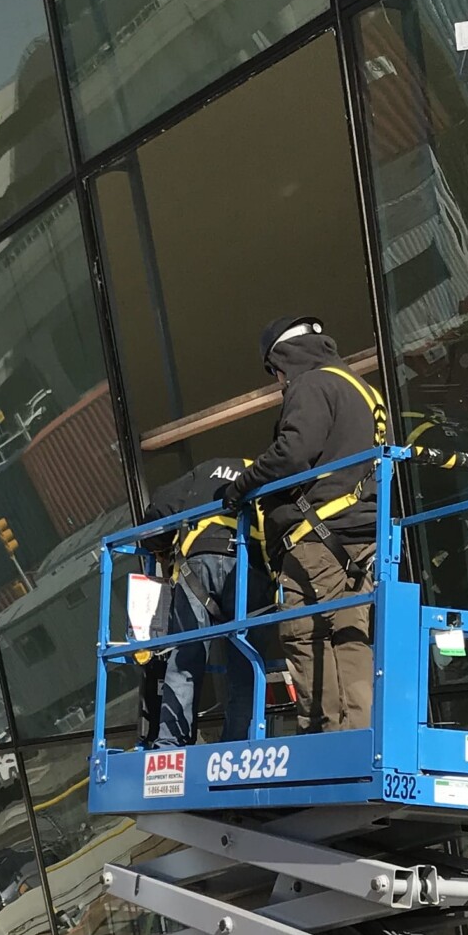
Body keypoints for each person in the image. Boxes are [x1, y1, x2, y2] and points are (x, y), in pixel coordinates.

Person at [217, 315, 387, 734]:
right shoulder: (361, 388)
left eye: (276, 374)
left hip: (317, 538)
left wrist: (243, 485)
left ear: (281, 361)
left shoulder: (309, 385)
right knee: (349, 632)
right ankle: (360, 734)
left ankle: (325, 738)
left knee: (304, 635)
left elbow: (294, 451)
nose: (279, 383)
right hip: (363, 534)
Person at [141, 460, 272, 747]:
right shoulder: (266, 468)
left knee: (186, 658)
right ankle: (239, 747)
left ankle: (171, 743)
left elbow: (159, 510)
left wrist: (160, 546)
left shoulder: (205, 470)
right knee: (245, 664)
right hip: (249, 568)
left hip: (199, 562)